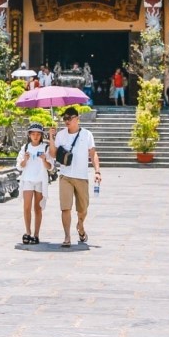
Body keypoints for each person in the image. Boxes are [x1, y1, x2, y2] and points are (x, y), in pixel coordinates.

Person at [49, 106, 101, 247]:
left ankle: (80, 225)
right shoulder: (60, 135)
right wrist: (51, 138)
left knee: (83, 209)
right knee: (65, 207)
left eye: (69, 118)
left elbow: (93, 153)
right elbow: (53, 154)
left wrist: (97, 171)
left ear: (77, 119)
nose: (66, 121)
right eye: (64, 118)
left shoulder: (87, 135)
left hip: (81, 176)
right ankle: (67, 236)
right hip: (65, 176)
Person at [16, 122, 52, 245]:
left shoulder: (45, 148)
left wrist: (44, 159)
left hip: (40, 180)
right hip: (28, 179)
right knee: (26, 207)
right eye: (33, 134)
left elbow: (50, 167)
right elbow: (20, 166)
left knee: (37, 208)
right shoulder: (25, 148)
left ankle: (36, 234)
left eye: (38, 134)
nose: (35, 136)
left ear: (41, 135)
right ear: (29, 135)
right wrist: (25, 160)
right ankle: (28, 231)